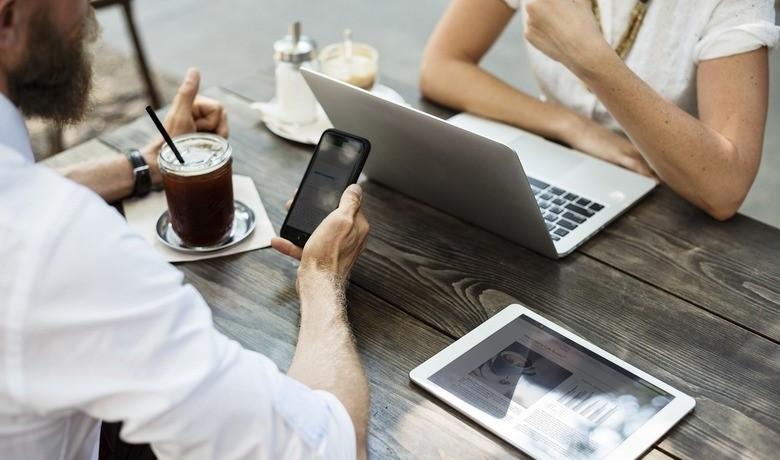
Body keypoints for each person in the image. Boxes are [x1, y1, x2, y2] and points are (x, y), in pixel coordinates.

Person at [0, 1, 371, 459]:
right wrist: (322, 277)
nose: (89, 11)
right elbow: (330, 447)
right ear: (7, 18)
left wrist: (139, 165)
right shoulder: (58, 244)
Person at [420, 0, 779, 220]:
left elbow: (725, 189)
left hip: (665, 196)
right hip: (555, 167)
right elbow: (441, 67)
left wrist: (592, 60)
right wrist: (571, 125)